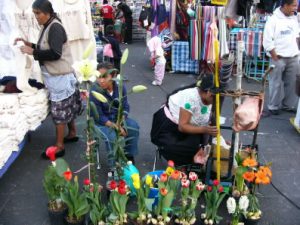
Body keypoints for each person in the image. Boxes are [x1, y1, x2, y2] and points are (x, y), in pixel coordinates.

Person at [14, 0, 82, 158]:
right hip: (59, 76)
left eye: (38, 13)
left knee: (59, 111)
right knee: (68, 106)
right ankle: (72, 133)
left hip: (60, 77)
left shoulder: (55, 27)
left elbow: (55, 54)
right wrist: (29, 44)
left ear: (47, 13)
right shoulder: (48, 26)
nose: (36, 17)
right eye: (35, 13)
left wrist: (32, 52)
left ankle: (59, 146)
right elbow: (46, 47)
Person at [150, 74, 218, 166]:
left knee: (204, 149)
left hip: (190, 129)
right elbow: (183, 127)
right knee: (185, 149)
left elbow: (208, 124)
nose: (218, 101)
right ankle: (183, 167)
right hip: (169, 128)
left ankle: (192, 163)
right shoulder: (191, 98)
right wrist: (205, 130)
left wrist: (205, 144)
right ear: (209, 93)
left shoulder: (209, 100)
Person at [89, 62, 139, 170]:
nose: (101, 80)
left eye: (104, 77)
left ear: (113, 76)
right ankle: (114, 167)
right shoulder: (95, 90)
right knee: (111, 137)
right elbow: (98, 116)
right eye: (98, 77)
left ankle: (129, 156)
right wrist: (116, 126)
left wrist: (121, 122)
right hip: (102, 123)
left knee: (134, 127)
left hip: (118, 120)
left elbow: (125, 107)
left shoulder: (120, 87)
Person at [263, 0, 300, 116]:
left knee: (293, 82)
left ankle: (288, 105)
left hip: (293, 56)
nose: (296, 8)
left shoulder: (294, 19)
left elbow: (297, 36)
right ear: (285, 5)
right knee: (275, 83)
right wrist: (274, 56)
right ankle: (273, 106)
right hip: (278, 57)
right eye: (294, 5)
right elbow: (267, 40)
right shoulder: (273, 20)